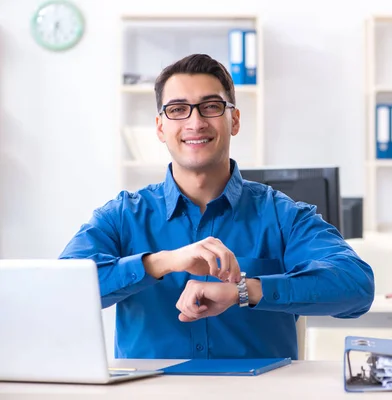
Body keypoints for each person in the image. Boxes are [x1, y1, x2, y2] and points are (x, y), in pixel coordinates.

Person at [60, 54, 375, 360]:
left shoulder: (283, 215)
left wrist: (246, 291)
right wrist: (159, 263)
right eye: (178, 109)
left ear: (234, 120)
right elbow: (60, 290)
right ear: (160, 127)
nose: (195, 122)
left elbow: (357, 285)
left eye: (210, 107)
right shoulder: (122, 216)